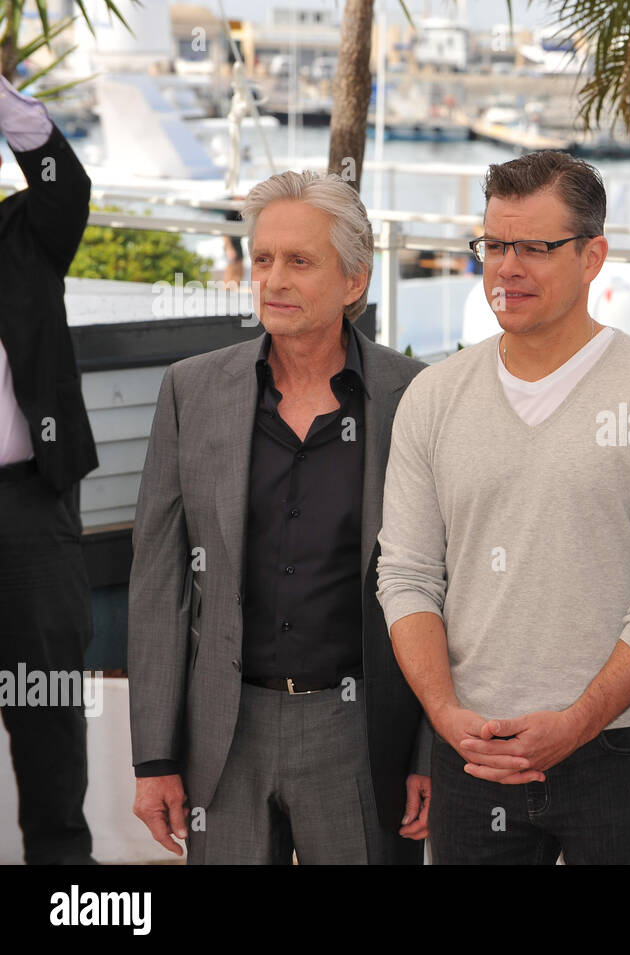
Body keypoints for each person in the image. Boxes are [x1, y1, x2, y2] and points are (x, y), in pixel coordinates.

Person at [377, 150, 630, 865]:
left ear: (593, 257)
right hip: (473, 754)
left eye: (534, 247)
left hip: (621, 748)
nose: (507, 267)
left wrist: (578, 720)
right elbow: (407, 574)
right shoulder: (434, 397)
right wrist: (446, 716)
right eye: (494, 245)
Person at [128, 170, 431, 864]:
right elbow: (157, 588)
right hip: (223, 735)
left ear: (354, 280)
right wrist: (154, 757)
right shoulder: (191, 390)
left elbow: (443, 581)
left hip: (358, 733)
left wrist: (427, 749)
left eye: (300, 261)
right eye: (262, 259)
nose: (274, 279)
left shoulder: (413, 396)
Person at [0, 73, 95, 864]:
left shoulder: (27, 233)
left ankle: (64, 878)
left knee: (46, 703)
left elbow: (64, 177)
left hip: (29, 505)